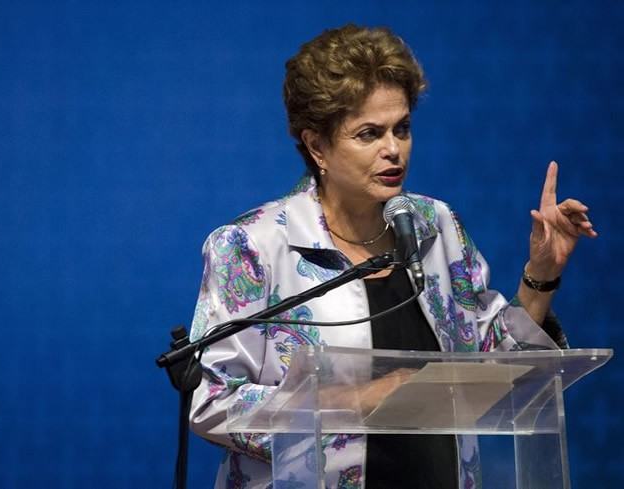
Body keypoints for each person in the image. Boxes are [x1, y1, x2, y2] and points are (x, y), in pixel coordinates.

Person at [188, 25, 596, 489]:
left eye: (401, 129)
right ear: (317, 146)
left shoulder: (435, 225)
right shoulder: (254, 246)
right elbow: (211, 402)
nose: (393, 150)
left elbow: (492, 365)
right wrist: (358, 399)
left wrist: (541, 274)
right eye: (369, 134)